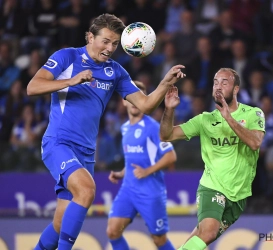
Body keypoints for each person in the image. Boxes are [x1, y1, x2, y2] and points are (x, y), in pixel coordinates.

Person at [27, 13, 185, 250]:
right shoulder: (67, 57)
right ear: (90, 37)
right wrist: (70, 81)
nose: (110, 48)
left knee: (60, 223)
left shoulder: (116, 71)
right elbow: (33, 87)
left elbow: (144, 104)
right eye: (106, 41)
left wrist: (165, 82)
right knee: (87, 190)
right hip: (59, 143)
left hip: (86, 152)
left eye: (115, 43)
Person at [160, 68, 265, 250]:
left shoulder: (253, 114)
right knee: (208, 232)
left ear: (235, 89)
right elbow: (166, 135)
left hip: (239, 194)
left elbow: (255, 143)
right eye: (216, 82)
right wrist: (169, 110)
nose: (218, 86)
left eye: (224, 83)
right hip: (212, 186)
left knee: (201, 237)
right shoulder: (205, 120)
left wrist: (229, 118)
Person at [106, 80, 177, 250]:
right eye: (131, 97)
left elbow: (171, 156)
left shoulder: (153, 127)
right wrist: (121, 173)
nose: (135, 102)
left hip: (150, 192)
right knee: (113, 231)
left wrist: (147, 171)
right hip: (128, 190)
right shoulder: (124, 128)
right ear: (124, 100)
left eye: (140, 97)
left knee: (159, 239)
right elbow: (133, 161)